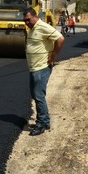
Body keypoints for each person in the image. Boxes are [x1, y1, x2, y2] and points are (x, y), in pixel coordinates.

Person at [23, 7, 65, 136]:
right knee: (36, 95)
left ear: (35, 16)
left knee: (39, 95)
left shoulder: (42, 26)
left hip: (42, 67)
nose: (26, 22)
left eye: (28, 20)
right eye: (24, 20)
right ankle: (45, 121)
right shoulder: (31, 29)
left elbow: (60, 38)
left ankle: (41, 124)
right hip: (33, 67)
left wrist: (53, 55)